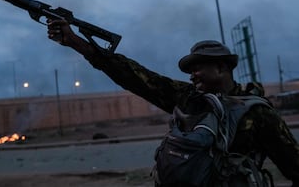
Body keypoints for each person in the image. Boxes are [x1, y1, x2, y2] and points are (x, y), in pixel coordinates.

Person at [47, 19, 299, 186]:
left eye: (198, 68)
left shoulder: (259, 113)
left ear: (222, 68)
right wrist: (76, 42)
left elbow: (293, 165)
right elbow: (132, 75)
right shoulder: (188, 98)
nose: (191, 75)